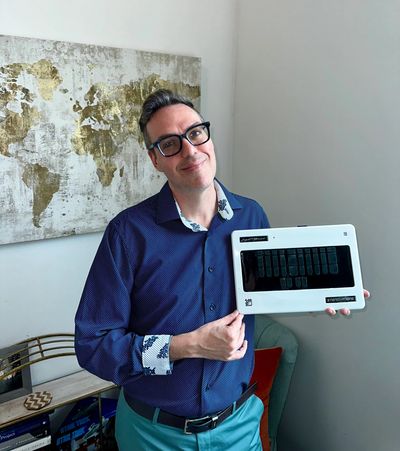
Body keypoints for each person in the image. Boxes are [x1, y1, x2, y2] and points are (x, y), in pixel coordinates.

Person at [74, 89, 368, 450]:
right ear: (155, 159)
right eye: (170, 143)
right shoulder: (127, 234)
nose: (190, 151)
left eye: (196, 133)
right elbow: (94, 346)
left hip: (240, 428)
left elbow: (262, 292)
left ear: (207, 135)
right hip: (153, 436)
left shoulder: (252, 216)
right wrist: (187, 346)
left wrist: (314, 292)